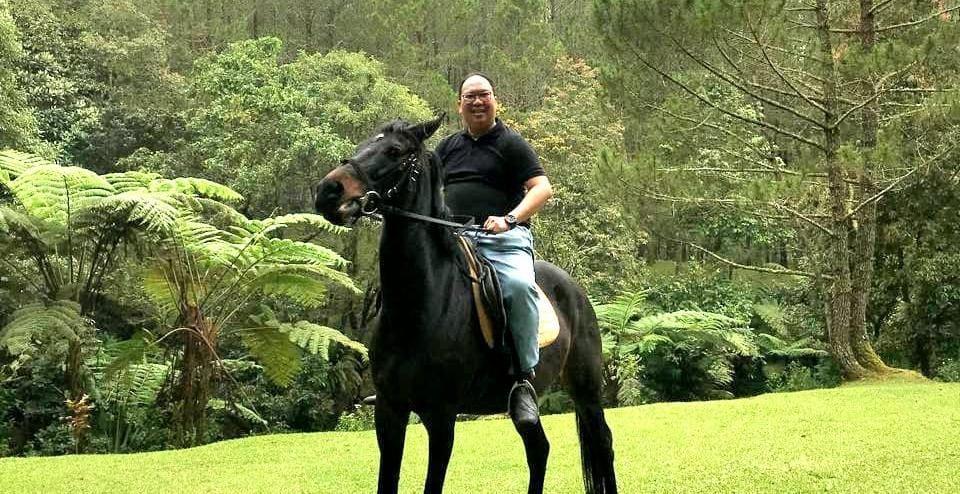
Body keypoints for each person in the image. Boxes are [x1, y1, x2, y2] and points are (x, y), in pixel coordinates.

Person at [435, 73, 553, 427]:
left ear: (495, 100)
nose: (477, 102)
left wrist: (509, 219)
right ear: (459, 105)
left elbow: (542, 188)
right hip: (455, 239)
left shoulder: (511, 143)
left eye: (483, 95)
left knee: (518, 287)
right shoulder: (447, 148)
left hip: (503, 241)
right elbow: (426, 189)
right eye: (469, 96)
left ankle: (523, 380)